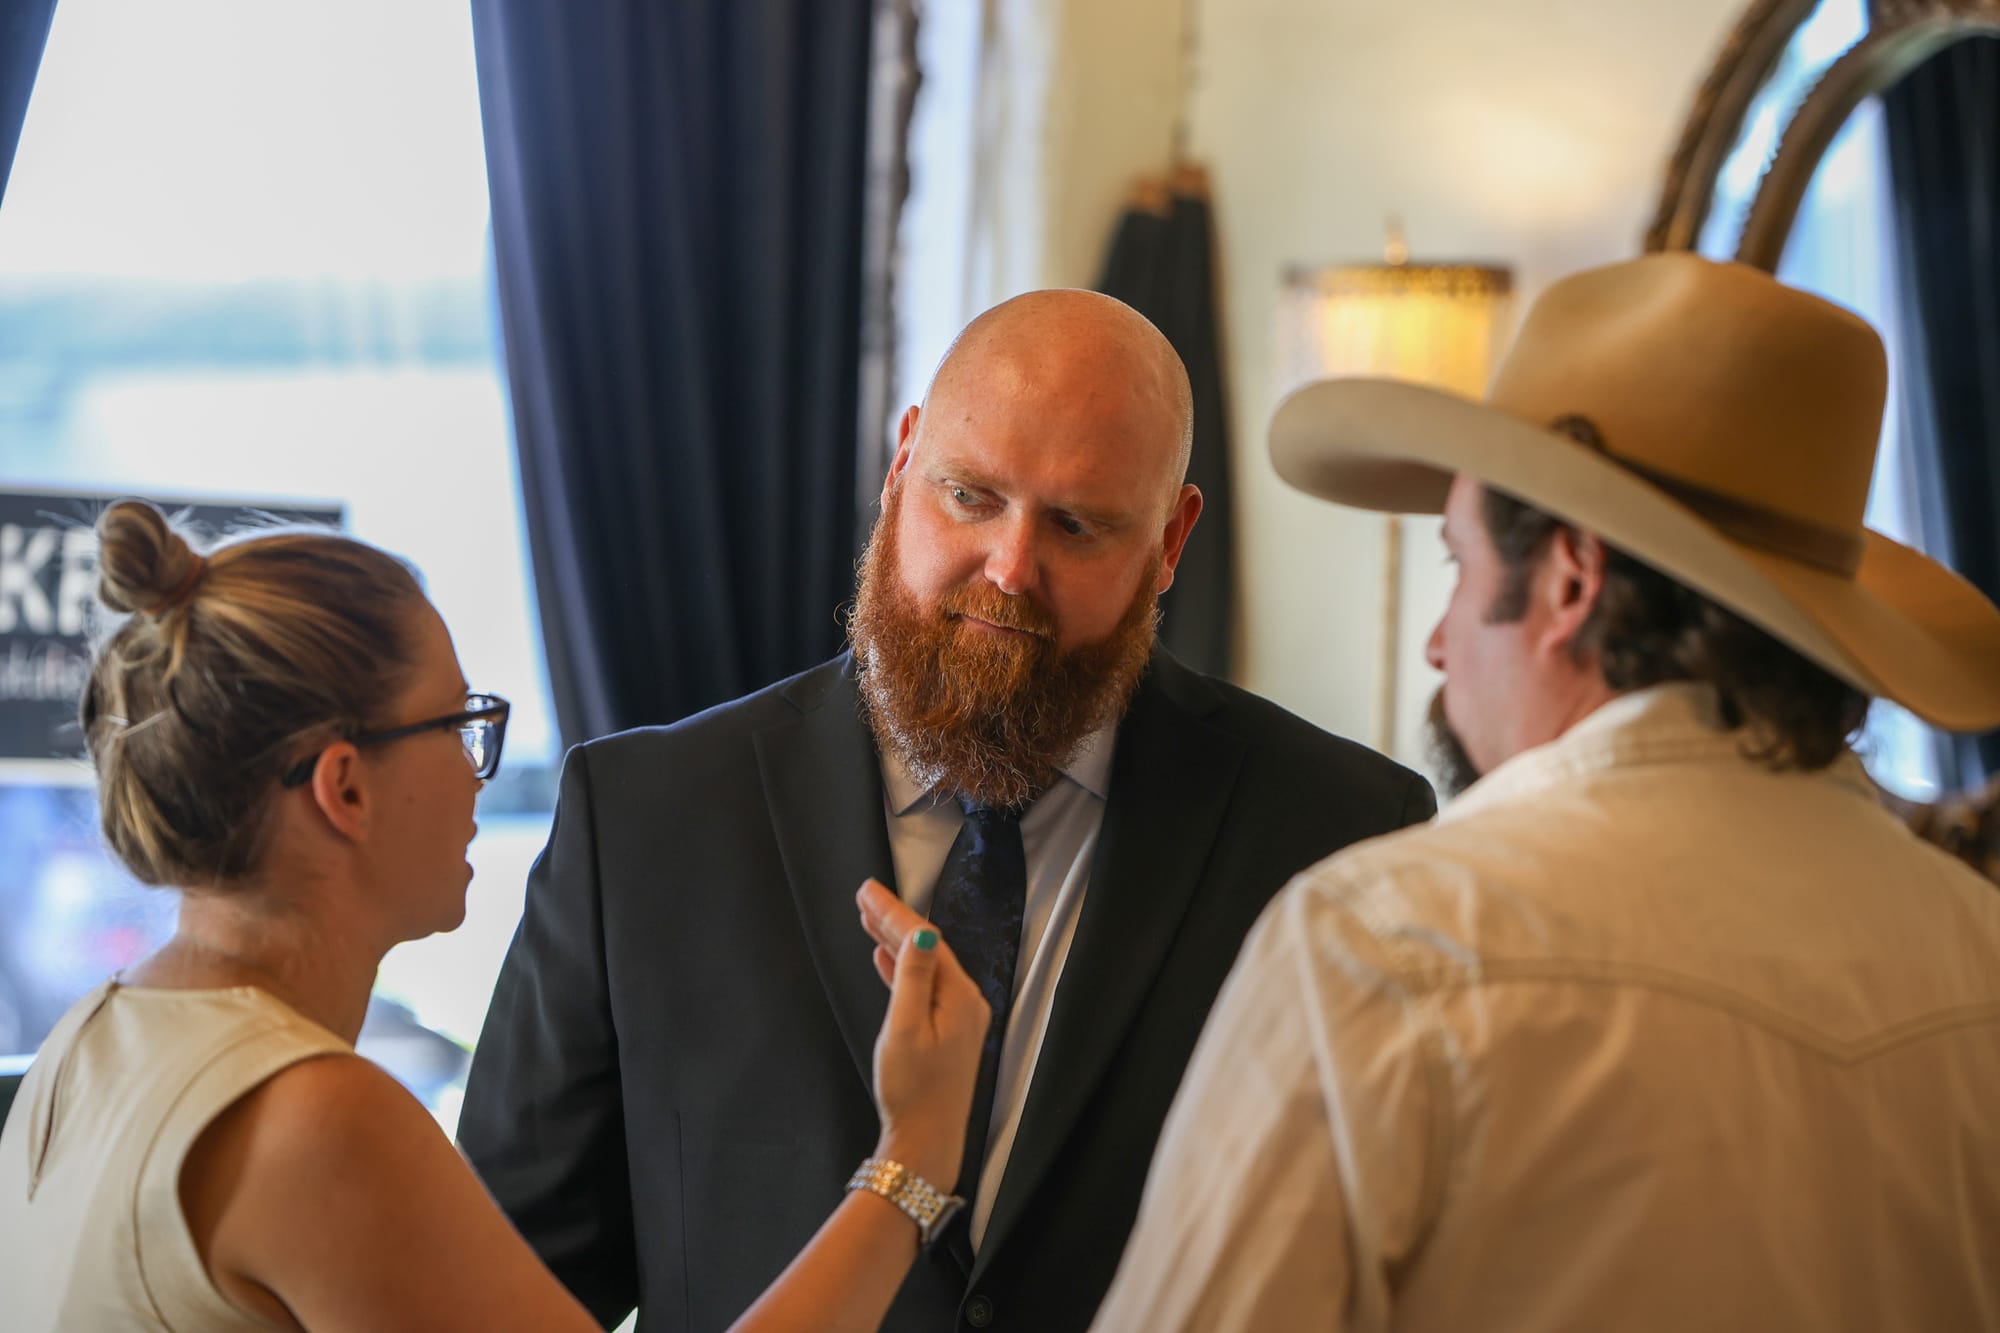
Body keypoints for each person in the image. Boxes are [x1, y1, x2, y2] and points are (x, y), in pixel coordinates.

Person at [458, 289, 1437, 1331]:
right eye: (969, 496)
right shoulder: (645, 820)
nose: (1010, 569)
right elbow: (499, 1287)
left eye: (1076, 523)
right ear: (900, 464)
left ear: (1169, 540)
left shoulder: (1336, 834)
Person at [1096, 253, 2000, 1330]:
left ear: (1567, 582)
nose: (1436, 641)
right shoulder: (1974, 942)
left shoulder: (1383, 946)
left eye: (1459, 566)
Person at [0, 500, 990, 1333]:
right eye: (457, 722)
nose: (480, 769)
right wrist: (914, 1150)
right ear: (346, 788)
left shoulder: (82, 1044)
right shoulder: (313, 1119)